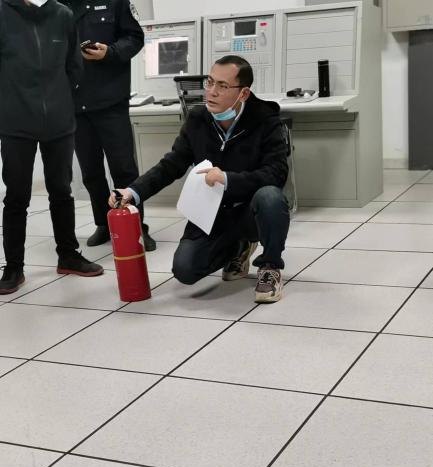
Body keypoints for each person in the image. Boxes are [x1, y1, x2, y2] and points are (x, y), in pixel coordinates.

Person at [111, 55, 290, 303]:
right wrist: (132, 192)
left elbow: (277, 172)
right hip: (213, 211)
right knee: (185, 270)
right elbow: (171, 165)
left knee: (270, 196)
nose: (212, 92)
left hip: (250, 209)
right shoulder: (198, 119)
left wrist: (227, 179)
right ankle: (239, 249)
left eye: (223, 86)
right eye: (210, 82)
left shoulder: (265, 120)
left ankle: (270, 267)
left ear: (244, 93)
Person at [0, 0, 103, 295]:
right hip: (15, 122)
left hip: (58, 120)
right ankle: (14, 267)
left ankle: (68, 255)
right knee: (16, 196)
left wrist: (60, 98)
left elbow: (74, 66)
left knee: (61, 190)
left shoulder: (62, 14)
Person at [62, 0, 156, 251]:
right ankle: (104, 223)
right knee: (91, 172)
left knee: (124, 169)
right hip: (75, 103)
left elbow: (134, 38)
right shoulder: (59, 6)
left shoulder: (116, 2)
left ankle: (135, 225)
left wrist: (111, 52)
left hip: (111, 101)